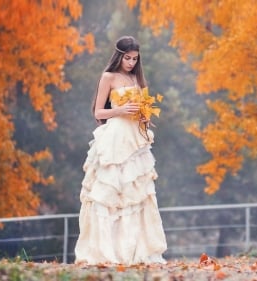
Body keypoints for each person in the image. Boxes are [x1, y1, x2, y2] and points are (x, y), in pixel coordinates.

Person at [74, 36, 167, 266]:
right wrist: (122, 109)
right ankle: (106, 252)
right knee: (110, 193)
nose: (131, 63)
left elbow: (144, 107)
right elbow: (98, 112)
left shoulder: (137, 78)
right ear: (119, 55)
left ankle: (136, 251)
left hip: (135, 138)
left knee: (136, 193)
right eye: (128, 58)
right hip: (115, 137)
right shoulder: (109, 77)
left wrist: (145, 115)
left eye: (135, 59)